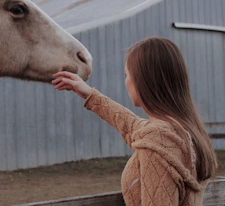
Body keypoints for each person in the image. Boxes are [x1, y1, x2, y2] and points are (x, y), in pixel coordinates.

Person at [52, 37, 217, 206]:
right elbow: (133, 125)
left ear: (143, 80)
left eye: (127, 74)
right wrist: (90, 94)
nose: (126, 81)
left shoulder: (158, 139)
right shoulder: (184, 129)